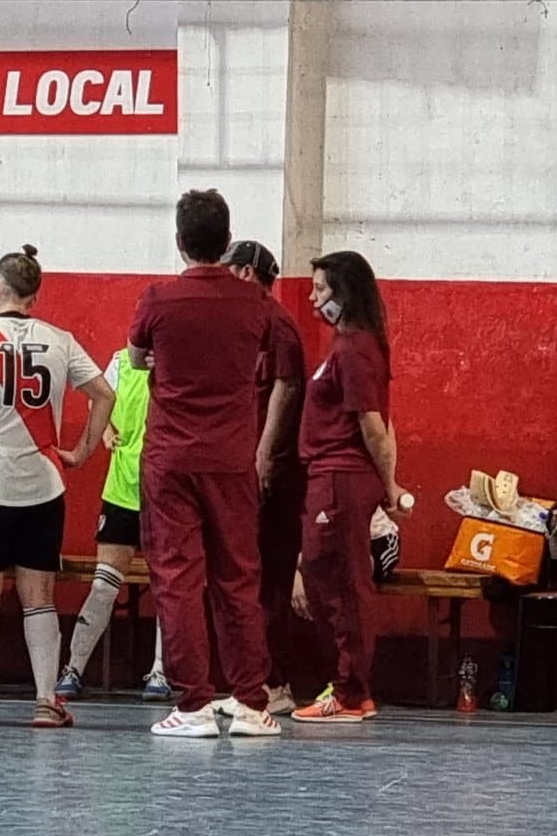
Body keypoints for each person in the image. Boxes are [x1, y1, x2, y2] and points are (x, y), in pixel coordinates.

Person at [130, 190, 301, 740]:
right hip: (232, 460)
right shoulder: (259, 305)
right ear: (227, 242)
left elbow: (136, 357)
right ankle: (252, 702)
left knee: (178, 582)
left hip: (171, 460)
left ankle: (194, 705)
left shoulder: (157, 298)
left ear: (180, 242)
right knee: (239, 579)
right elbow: (286, 362)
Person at [0, 246, 114, 728]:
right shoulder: (60, 340)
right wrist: (83, 449)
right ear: (34, 295)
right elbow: (104, 395)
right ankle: (48, 701)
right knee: (40, 597)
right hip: (43, 484)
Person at [290, 250, 408, 724]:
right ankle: (350, 687)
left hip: (341, 479)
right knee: (325, 578)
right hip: (328, 477)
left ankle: (351, 691)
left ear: (344, 294)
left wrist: (391, 486)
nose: (313, 297)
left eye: (320, 289)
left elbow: (376, 426)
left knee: (340, 582)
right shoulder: (346, 348)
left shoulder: (357, 349)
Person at [57, 336, 172, 703]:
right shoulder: (120, 363)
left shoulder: (178, 364)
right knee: (105, 584)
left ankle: (161, 671)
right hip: (122, 489)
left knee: (168, 585)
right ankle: (73, 668)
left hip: (166, 490)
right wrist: (104, 432)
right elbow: (99, 400)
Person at [222, 238, 308, 716]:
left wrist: (264, 459)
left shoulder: (276, 324)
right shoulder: (246, 323)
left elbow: (286, 387)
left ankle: (275, 684)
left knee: (267, 580)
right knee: (244, 579)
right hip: (242, 467)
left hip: (270, 476)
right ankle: (250, 682)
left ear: (247, 274)